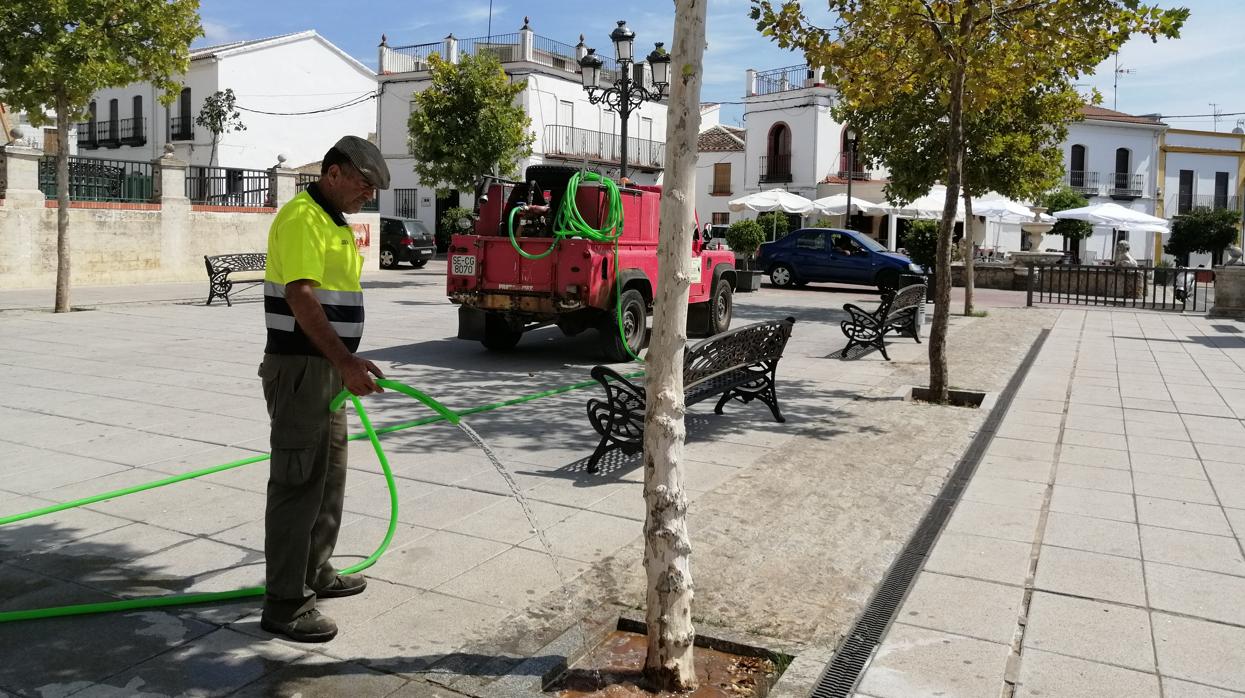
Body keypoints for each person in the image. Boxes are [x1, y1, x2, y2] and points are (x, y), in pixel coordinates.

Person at [258, 135, 390, 643]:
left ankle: (316, 572)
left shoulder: (332, 221)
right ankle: (285, 603)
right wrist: (343, 359)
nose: (369, 195)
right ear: (333, 173)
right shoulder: (301, 219)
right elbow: (300, 296)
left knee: (329, 478)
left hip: (327, 371)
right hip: (302, 370)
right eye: (364, 183)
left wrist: (348, 361)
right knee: (298, 484)